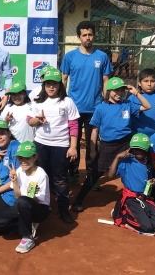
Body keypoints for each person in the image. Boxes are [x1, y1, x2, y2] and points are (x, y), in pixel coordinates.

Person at [71, 77, 151, 213]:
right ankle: (78, 200)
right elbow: (95, 130)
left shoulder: (128, 105)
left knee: (137, 167)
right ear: (108, 91)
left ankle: (144, 198)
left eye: (121, 90)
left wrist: (136, 93)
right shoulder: (101, 108)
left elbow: (147, 106)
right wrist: (92, 150)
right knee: (95, 173)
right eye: (115, 91)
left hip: (126, 143)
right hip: (107, 145)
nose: (118, 93)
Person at [60, 21, 113, 186]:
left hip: (95, 108)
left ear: (94, 35)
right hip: (74, 108)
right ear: (78, 37)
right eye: (84, 35)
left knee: (92, 144)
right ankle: (73, 174)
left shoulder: (102, 57)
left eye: (90, 34)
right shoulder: (70, 57)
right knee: (71, 142)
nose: (88, 38)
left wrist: (105, 101)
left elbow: (106, 81)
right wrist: (63, 100)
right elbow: (63, 79)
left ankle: (92, 177)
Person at [28, 69, 79, 223]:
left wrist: (73, 146)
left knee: (60, 179)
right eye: (48, 84)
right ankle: (36, 206)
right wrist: (38, 120)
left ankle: (63, 209)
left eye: (54, 84)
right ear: (44, 85)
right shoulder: (37, 101)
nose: (51, 87)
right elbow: (30, 121)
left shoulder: (67, 102)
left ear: (60, 85)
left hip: (61, 146)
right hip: (41, 144)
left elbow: (74, 125)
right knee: (38, 176)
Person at [0, 141, 51, 253]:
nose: (23, 161)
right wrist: (15, 181)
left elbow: (37, 201)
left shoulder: (41, 175)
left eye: (27, 158)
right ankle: (28, 225)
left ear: (35, 157)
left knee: (23, 201)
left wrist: (30, 195)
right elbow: (18, 196)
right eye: (20, 158)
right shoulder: (19, 171)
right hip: (22, 204)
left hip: (40, 209)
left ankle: (28, 237)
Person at [108, 133, 155, 235]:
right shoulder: (127, 161)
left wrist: (153, 181)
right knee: (146, 227)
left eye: (141, 149)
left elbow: (146, 179)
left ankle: (139, 214)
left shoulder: (147, 163)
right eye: (135, 149)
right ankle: (122, 213)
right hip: (131, 198)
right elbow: (110, 175)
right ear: (131, 149)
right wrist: (117, 157)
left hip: (145, 198)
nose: (138, 151)